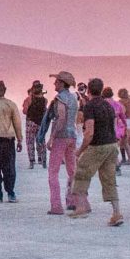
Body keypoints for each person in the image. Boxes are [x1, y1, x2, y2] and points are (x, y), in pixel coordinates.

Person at [68, 77, 123, 226]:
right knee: (109, 180)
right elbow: (113, 127)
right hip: (111, 145)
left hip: (98, 145)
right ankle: (116, 212)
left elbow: (90, 132)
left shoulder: (90, 106)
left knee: (81, 173)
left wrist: (80, 150)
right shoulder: (108, 106)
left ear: (89, 90)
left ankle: (81, 207)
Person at [38, 71, 80, 215]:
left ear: (62, 83)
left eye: (56, 82)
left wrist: (51, 138)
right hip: (72, 135)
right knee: (72, 170)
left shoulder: (60, 98)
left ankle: (56, 206)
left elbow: (61, 119)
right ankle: (74, 200)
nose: (54, 84)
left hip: (61, 137)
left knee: (53, 172)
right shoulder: (74, 98)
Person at [24, 81, 48, 169]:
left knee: (30, 142)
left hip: (30, 122)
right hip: (41, 123)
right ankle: (43, 159)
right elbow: (45, 111)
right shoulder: (45, 100)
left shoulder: (29, 99)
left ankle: (32, 161)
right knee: (41, 142)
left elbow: (25, 111)